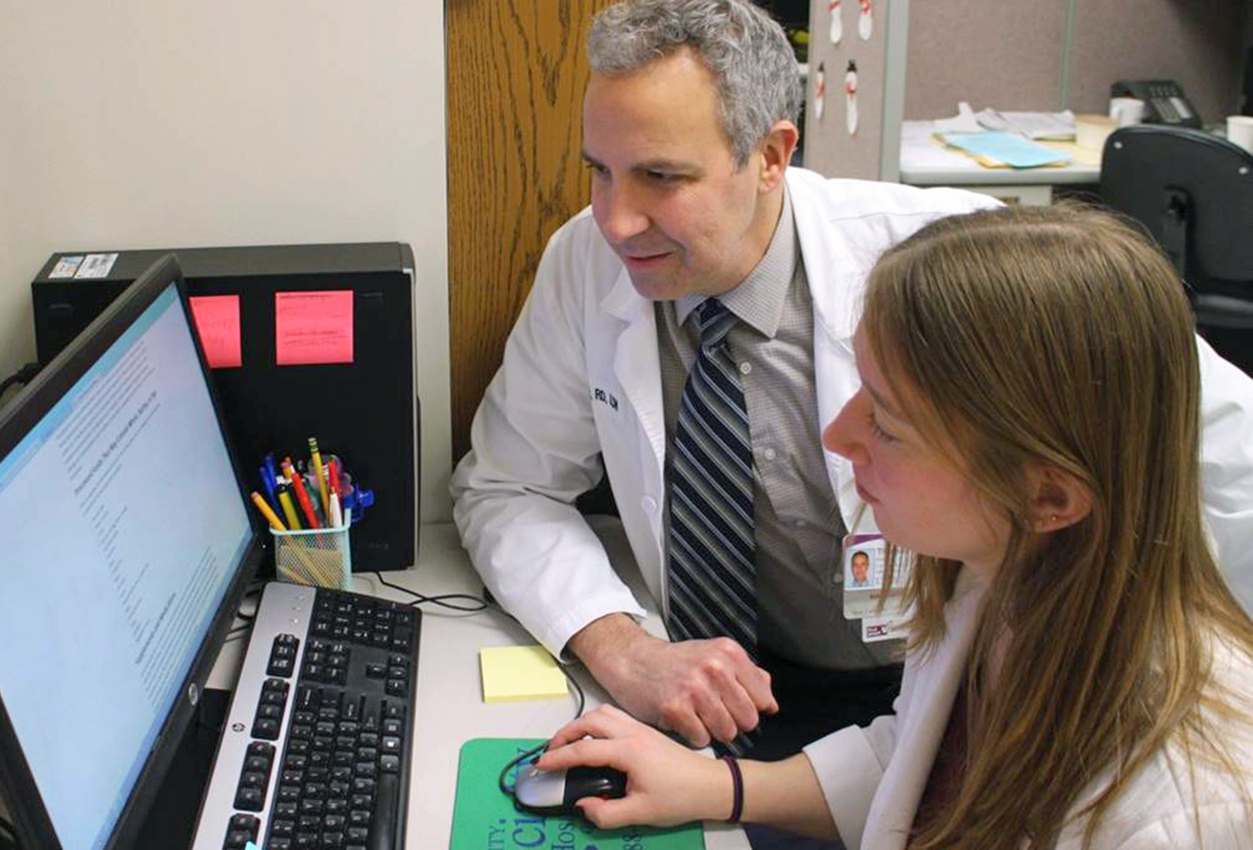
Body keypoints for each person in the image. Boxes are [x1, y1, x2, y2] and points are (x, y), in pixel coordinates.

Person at [451, 0, 1253, 759]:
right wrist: (622, 647)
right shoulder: (590, 259)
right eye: (601, 171)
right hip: (710, 694)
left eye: (662, 178)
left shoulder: (948, 262)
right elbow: (506, 487)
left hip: (953, 691)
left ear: (771, 157)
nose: (618, 219)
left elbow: (1225, 453)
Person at [533, 204, 1253, 849]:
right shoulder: (999, 577)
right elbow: (916, 759)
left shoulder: (1185, 809)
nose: (840, 437)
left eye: (887, 421)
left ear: (1050, 496)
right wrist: (722, 788)